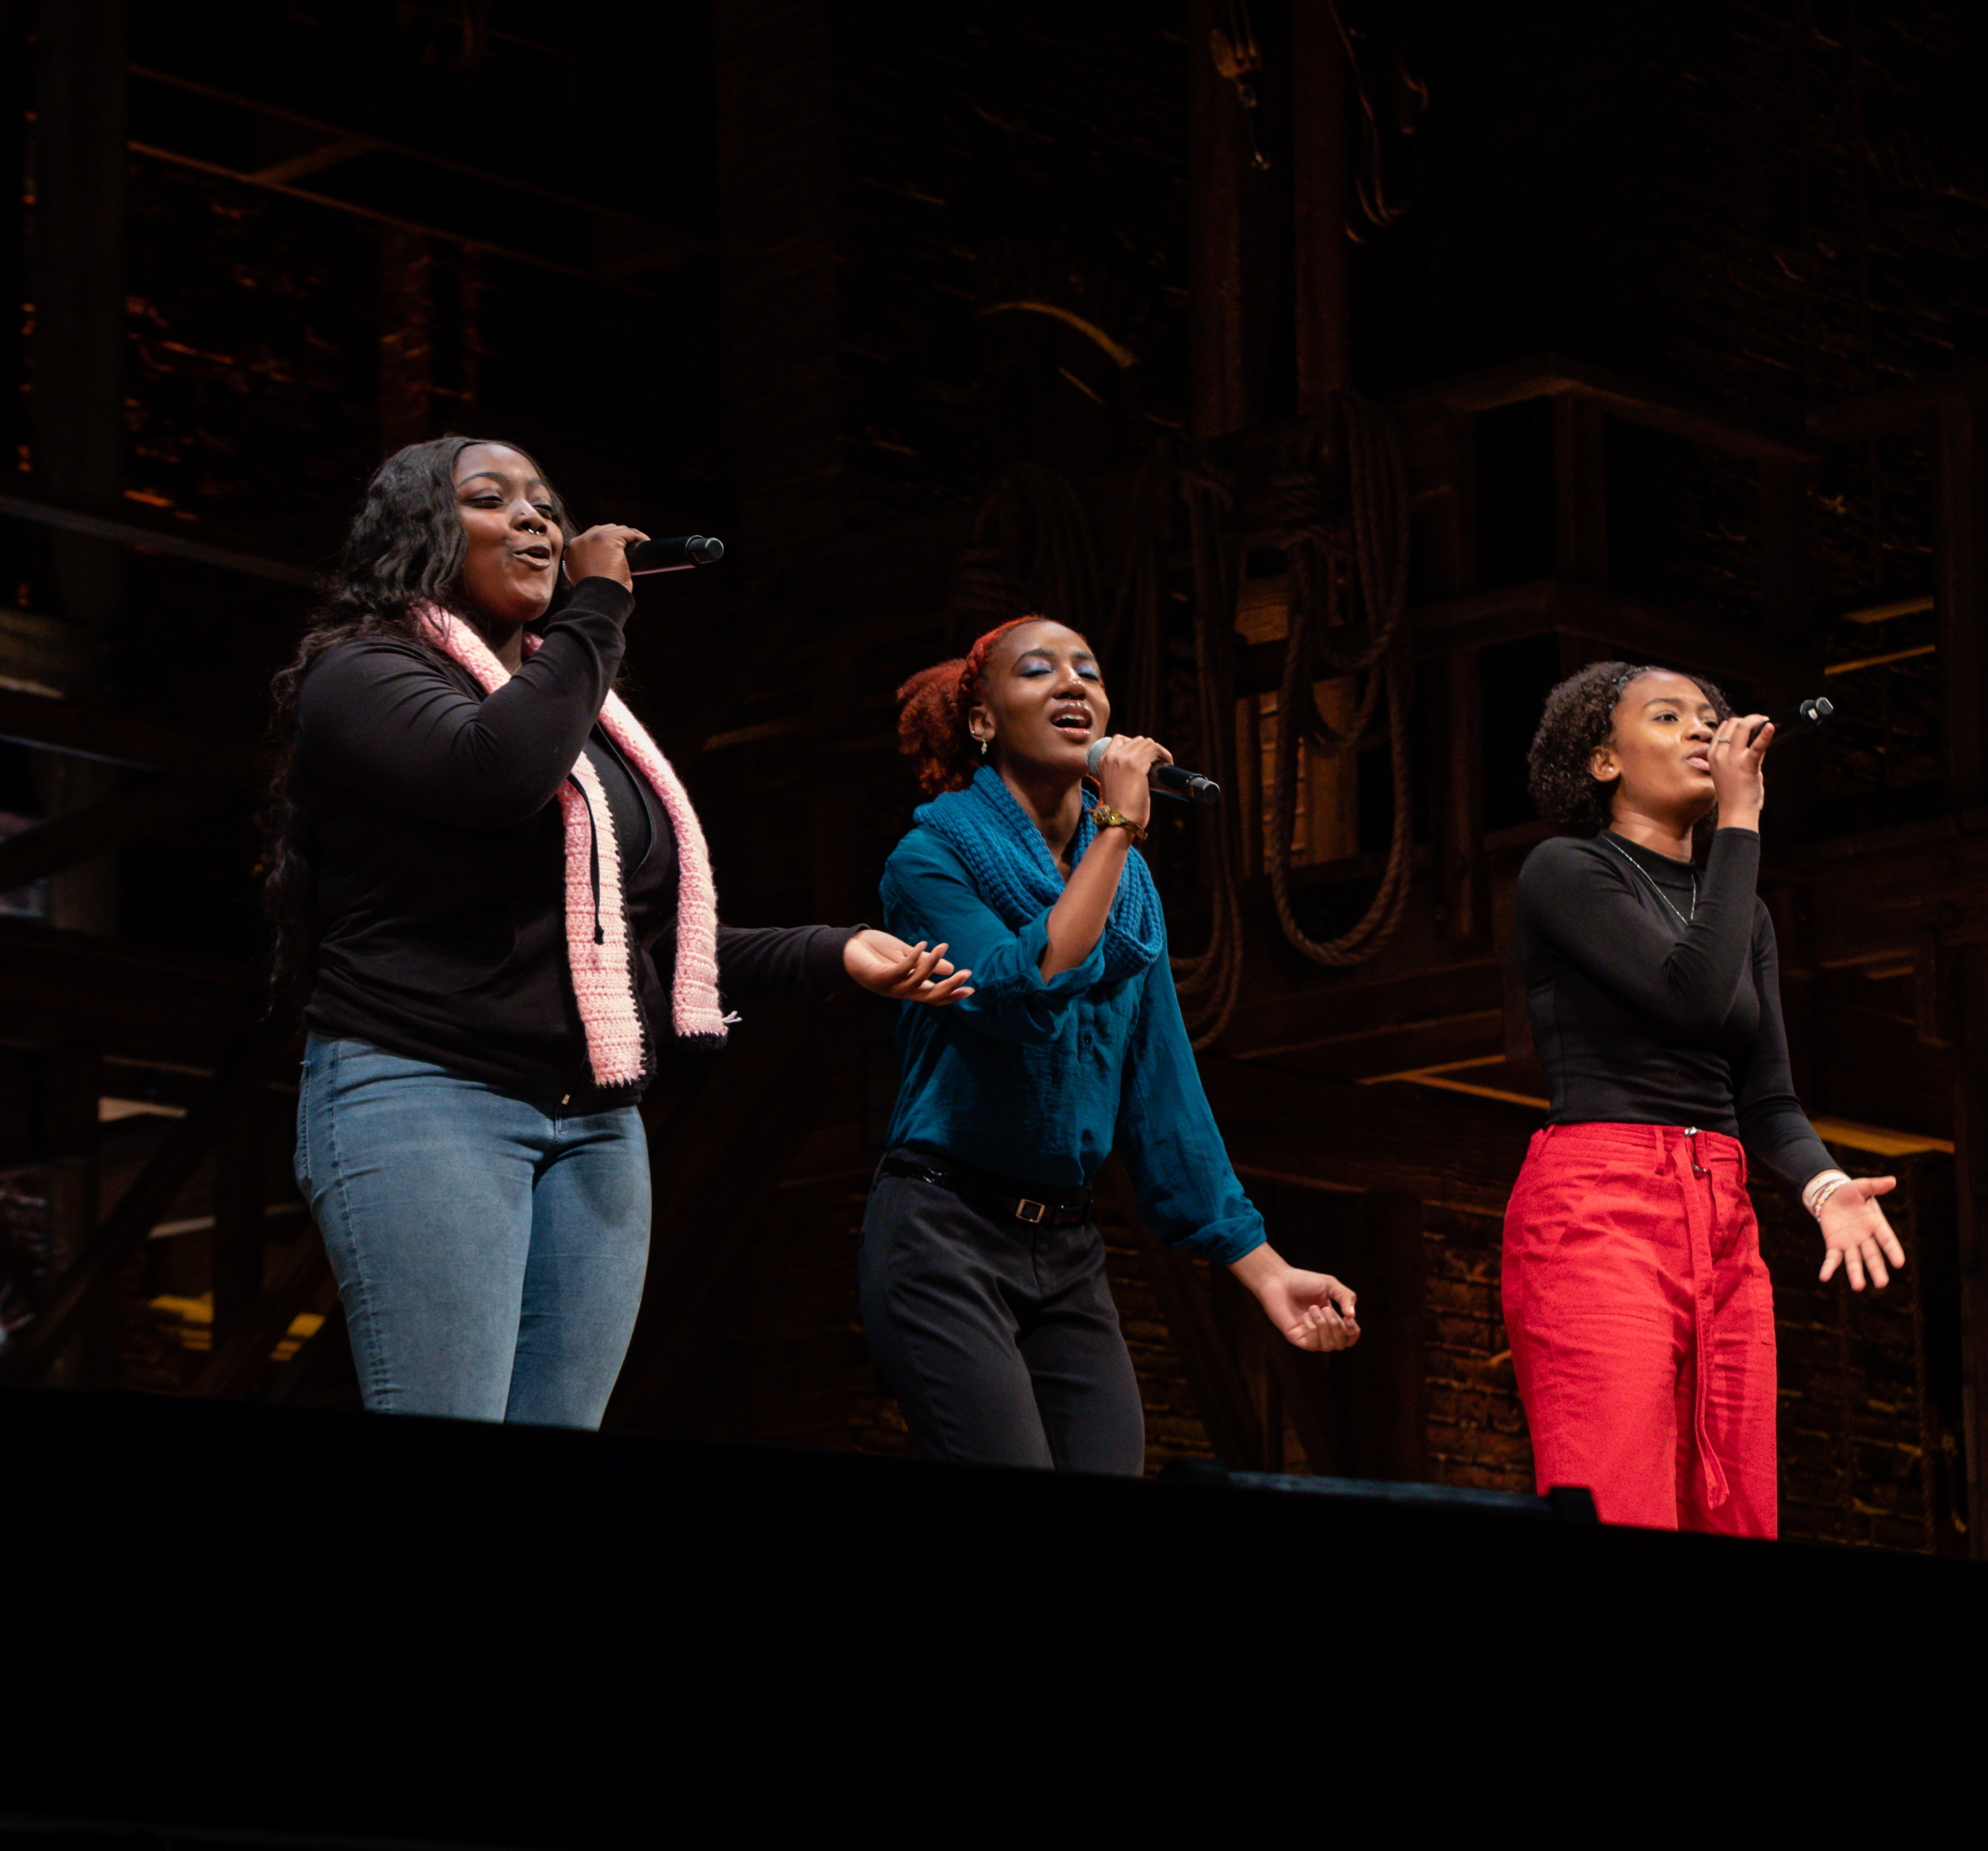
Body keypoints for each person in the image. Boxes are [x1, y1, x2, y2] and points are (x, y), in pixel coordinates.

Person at [262, 435, 972, 1426]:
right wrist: (599, 608)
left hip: (595, 1124)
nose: (536, 519)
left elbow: (638, 946)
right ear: (420, 533)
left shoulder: (582, 721)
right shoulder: (364, 675)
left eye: (546, 504)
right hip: (429, 1093)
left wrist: (833, 949)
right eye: (490, 499)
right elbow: (495, 774)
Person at [861, 613, 1357, 1471]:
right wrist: (1119, 826)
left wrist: (1266, 1268)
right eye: (1039, 671)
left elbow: (1163, 1089)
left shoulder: (1129, 893)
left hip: (1065, 1248)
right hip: (944, 1231)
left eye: (1088, 671)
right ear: (983, 721)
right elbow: (1025, 985)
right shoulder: (930, 857)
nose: (1073, 686)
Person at [1505, 661, 1909, 1533]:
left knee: (1737, 1512)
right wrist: (1740, 817)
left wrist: (1827, 1188)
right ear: (1604, 761)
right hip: (1600, 1209)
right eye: (1669, 716)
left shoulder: (1742, 913)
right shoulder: (1564, 871)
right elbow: (1687, 994)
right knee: (1621, 1507)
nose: (1702, 730)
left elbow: (1765, 1100)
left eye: (1711, 717)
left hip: (1721, 1216)